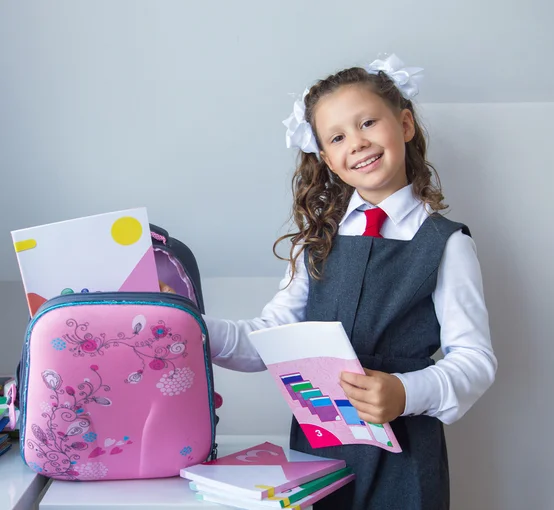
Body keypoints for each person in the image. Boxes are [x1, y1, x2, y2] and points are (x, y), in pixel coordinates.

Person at [202, 54, 497, 510]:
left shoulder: (447, 243)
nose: (357, 143)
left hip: (406, 455)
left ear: (404, 125)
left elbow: (475, 361)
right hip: (317, 452)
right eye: (338, 136)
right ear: (328, 161)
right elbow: (268, 337)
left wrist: (405, 392)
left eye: (368, 123)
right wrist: (192, 329)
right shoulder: (314, 241)